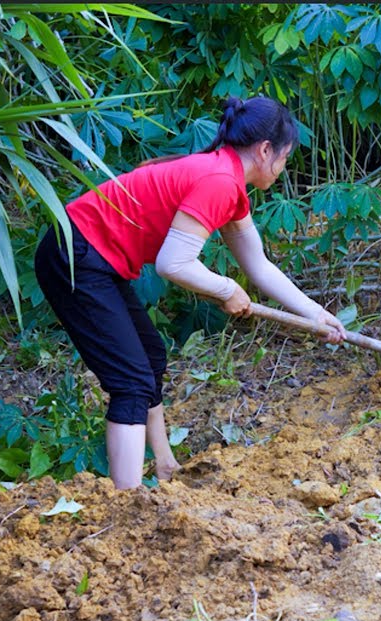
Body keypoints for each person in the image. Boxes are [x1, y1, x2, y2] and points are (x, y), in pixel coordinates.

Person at [34, 96, 345, 490]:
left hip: (95, 256)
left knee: (150, 356)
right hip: (75, 255)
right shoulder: (218, 181)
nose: (283, 169)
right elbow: (173, 264)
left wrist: (314, 315)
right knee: (130, 381)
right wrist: (227, 289)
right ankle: (126, 505)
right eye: (284, 157)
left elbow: (259, 265)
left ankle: (164, 465)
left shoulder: (226, 181)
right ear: (265, 151)